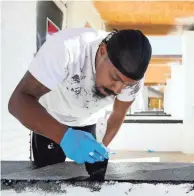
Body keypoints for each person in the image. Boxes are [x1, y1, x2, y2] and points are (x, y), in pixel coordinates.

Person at [8, 27, 152, 178]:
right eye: (115, 78)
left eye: (126, 85)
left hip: (90, 122)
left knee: (92, 181)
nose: (118, 90)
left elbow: (118, 113)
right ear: (103, 51)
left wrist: (101, 146)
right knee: (47, 180)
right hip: (50, 118)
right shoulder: (66, 49)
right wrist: (65, 137)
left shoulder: (133, 79)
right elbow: (18, 100)